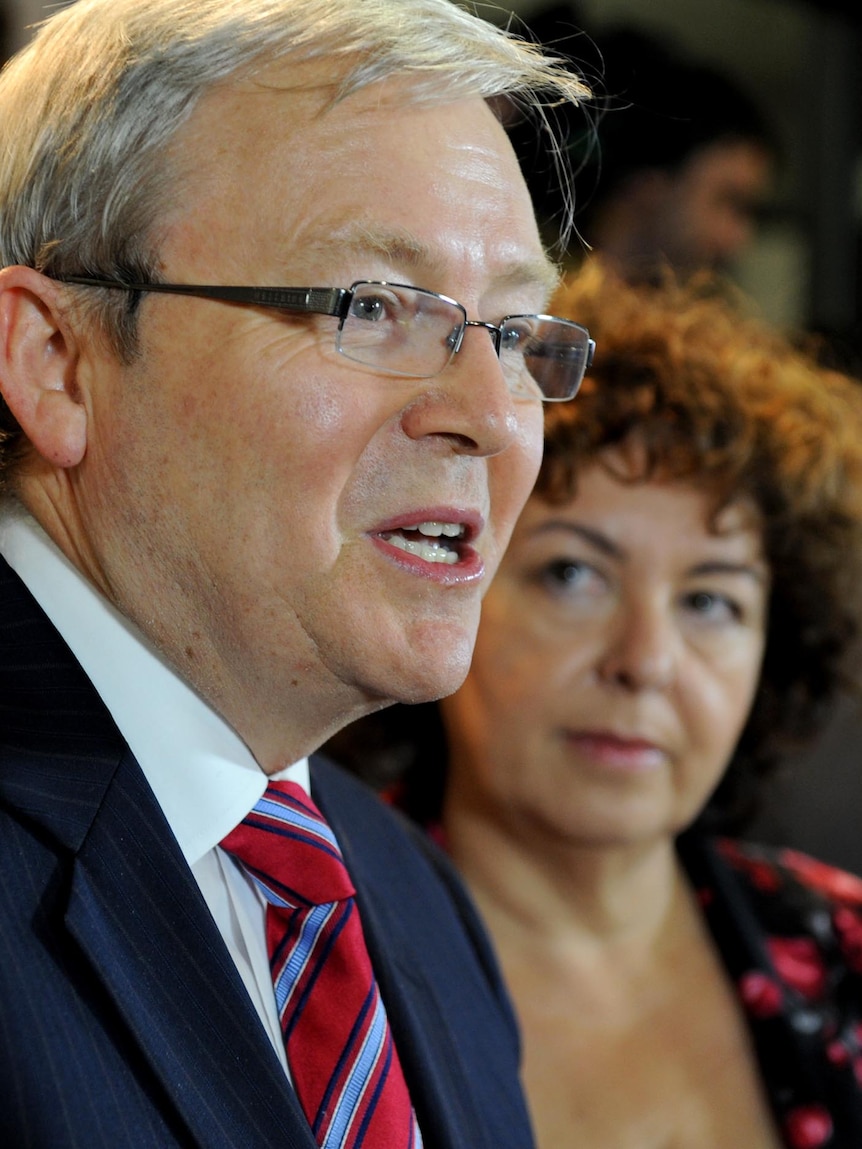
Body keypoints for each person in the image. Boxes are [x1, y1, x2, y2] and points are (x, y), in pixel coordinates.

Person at [0, 1, 594, 1145]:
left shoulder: (411, 899)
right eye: (372, 308)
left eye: (516, 335)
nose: (486, 419)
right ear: (57, 360)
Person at [328, 261, 862, 1148]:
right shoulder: (302, 945)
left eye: (710, 600)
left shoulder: (842, 947)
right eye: (573, 575)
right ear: (450, 581)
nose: (645, 662)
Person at [512, 15, 777, 280]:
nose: (738, 240)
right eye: (728, 201)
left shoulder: (689, 319)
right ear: (649, 184)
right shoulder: (531, 301)